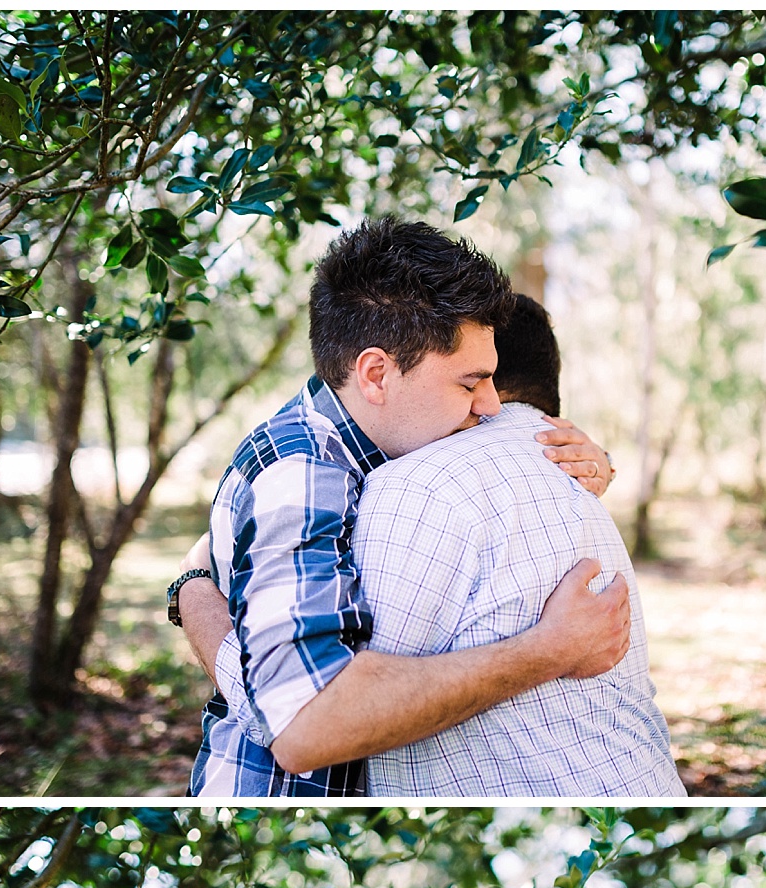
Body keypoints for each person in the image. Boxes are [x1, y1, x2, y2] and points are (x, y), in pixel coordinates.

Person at [175, 216, 629, 798]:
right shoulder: (303, 474)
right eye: (470, 384)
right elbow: (304, 726)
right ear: (376, 374)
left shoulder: (377, 441)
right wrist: (550, 649)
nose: (492, 407)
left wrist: (594, 462)